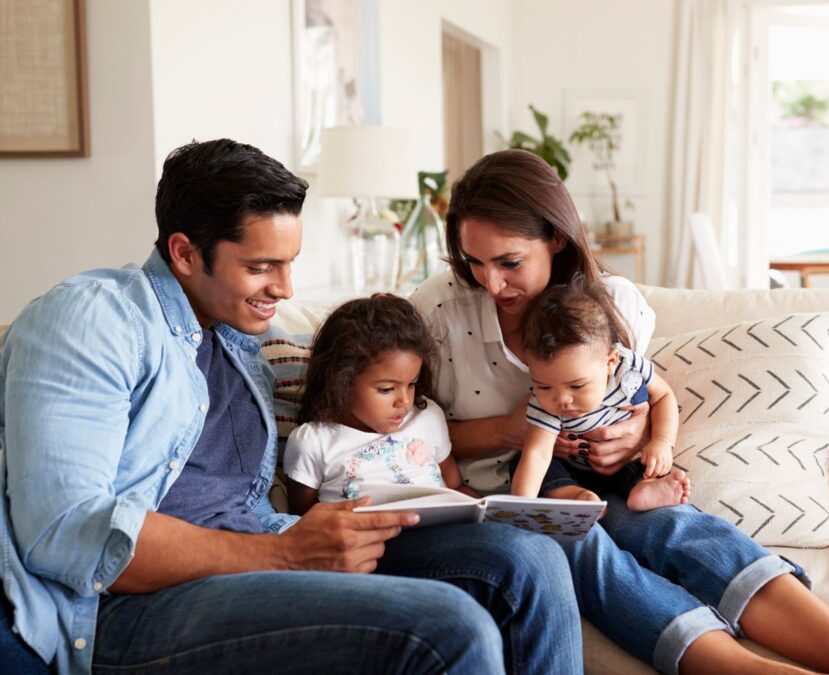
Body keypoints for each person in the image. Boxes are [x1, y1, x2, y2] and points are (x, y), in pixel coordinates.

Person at [0, 139, 582, 675]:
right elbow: (66, 530)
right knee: (449, 628)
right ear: (184, 253)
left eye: (288, 263)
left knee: (527, 559)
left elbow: (353, 369)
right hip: (132, 607)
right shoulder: (92, 320)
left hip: (267, 551)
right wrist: (282, 554)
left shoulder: (238, 341)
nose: (284, 289)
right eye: (260, 267)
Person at [411, 149, 829, 675]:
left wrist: (637, 436)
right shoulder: (438, 310)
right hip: (507, 495)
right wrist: (507, 431)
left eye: (510, 262)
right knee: (574, 542)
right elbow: (402, 437)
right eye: (474, 262)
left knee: (672, 525)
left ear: (556, 238)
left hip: (605, 476)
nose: (491, 283)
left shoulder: (613, 304)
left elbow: (640, 397)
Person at [510, 275, 691, 512]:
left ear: (610, 361)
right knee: (522, 462)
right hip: (574, 472)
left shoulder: (626, 370)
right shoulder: (544, 404)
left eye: (577, 386)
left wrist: (662, 442)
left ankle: (644, 489)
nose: (562, 400)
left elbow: (664, 396)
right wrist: (519, 509)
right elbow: (538, 454)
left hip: (626, 463)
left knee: (648, 463)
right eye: (544, 386)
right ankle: (572, 495)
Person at [283, 294, 474, 514]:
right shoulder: (313, 442)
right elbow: (304, 520)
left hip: (444, 528)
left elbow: (455, 487)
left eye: (411, 384)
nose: (405, 401)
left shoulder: (427, 416)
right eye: (386, 389)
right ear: (340, 382)